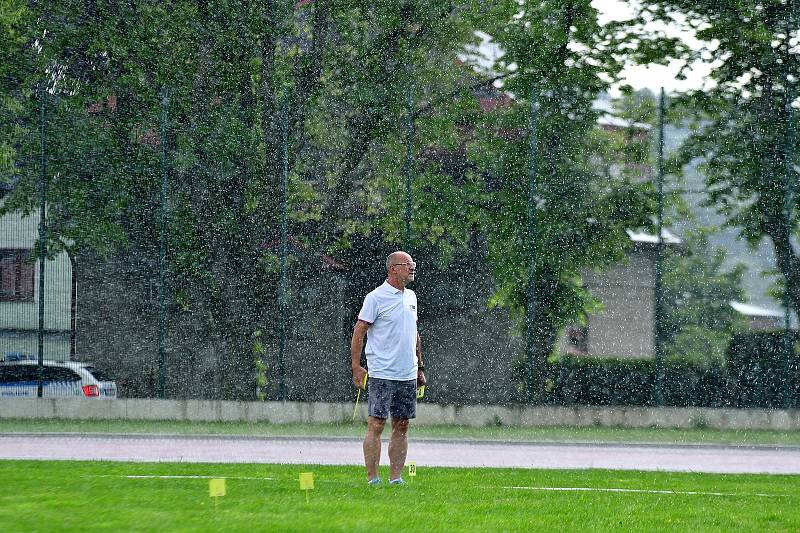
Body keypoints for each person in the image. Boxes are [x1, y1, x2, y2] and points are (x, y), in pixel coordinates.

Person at [351, 250, 426, 485]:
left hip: (407, 374)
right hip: (382, 373)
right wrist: (356, 366)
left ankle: (396, 478)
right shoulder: (376, 297)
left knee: (402, 425)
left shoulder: (411, 296)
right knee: (377, 423)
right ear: (393, 269)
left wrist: (420, 367)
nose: (412, 268)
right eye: (408, 264)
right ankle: (373, 479)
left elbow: (414, 335)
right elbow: (359, 331)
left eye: (413, 264)